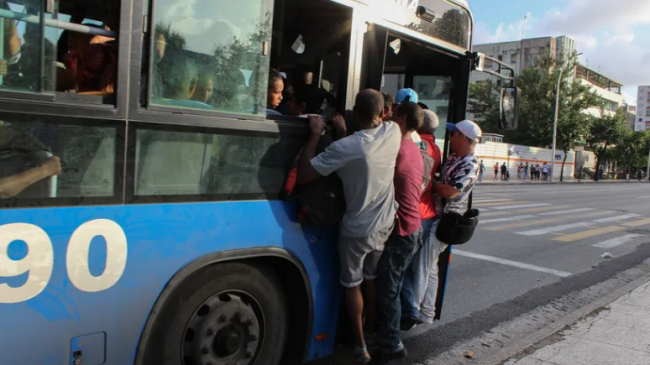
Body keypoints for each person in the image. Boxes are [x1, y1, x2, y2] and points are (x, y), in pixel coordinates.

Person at [298, 90, 401, 363]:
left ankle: (359, 347)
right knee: (371, 278)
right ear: (384, 113)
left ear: (354, 113)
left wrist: (316, 134)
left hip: (357, 231)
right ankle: (369, 330)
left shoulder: (346, 147)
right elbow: (361, 155)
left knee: (352, 285)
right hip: (385, 225)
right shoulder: (393, 133)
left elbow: (305, 174)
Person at [374, 102, 424, 363]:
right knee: (391, 285)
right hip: (413, 227)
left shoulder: (397, 150)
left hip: (402, 230)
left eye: (393, 114)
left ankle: (391, 344)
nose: (389, 116)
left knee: (388, 289)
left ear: (402, 118)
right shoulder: (413, 149)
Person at [427, 120, 481, 320]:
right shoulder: (453, 158)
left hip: (445, 222)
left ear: (463, 138)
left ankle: (418, 310)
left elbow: (450, 191)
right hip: (434, 216)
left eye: (454, 134)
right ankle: (426, 312)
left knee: (425, 266)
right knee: (430, 267)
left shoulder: (470, 164)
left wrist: (429, 184)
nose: (450, 138)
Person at [400, 109, 442, 330]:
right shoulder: (436, 148)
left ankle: (410, 311)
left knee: (409, 268)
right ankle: (426, 312)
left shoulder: (416, 144)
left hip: (414, 213)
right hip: (429, 212)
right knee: (428, 268)